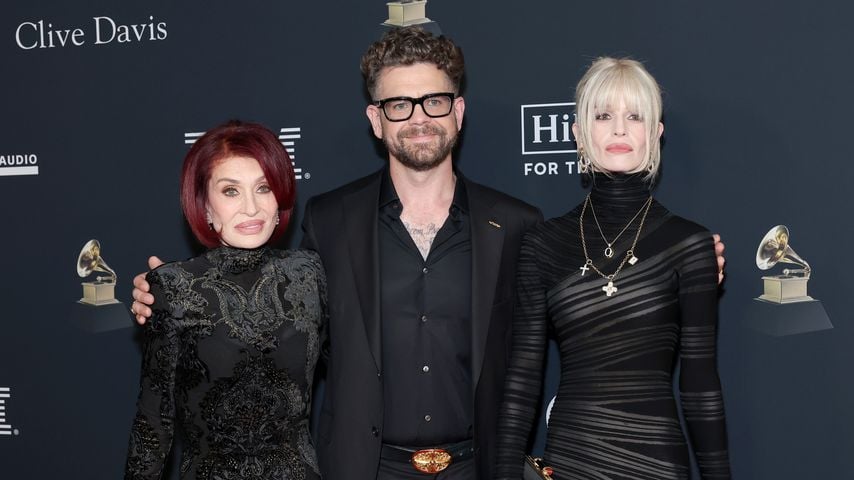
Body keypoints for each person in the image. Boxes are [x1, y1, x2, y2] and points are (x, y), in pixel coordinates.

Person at [130, 29, 726, 480]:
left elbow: (587, 304)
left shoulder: (519, 226)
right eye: (399, 105)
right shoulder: (328, 221)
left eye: (435, 101)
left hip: (480, 465)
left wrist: (678, 263)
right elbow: (277, 324)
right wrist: (182, 300)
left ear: (459, 113)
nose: (419, 118)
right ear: (376, 120)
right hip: (367, 469)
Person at [494, 57, 731, 479]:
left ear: (655, 135)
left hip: (657, 463)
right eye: (603, 115)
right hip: (570, 460)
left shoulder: (689, 244)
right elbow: (523, 377)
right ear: (578, 135)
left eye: (634, 116)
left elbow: (700, 385)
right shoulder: (542, 243)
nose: (619, 129)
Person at [124, 121, 326, 479]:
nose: (251, 207)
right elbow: (153, 423)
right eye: (231, 191)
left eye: (263, 188)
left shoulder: (309, 272)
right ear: (205, 207)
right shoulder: (174, 287)